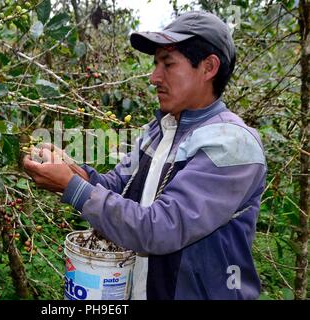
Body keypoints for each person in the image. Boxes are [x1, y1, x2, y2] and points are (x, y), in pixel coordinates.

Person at [23, 11, 267, 300]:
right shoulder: (161, 129)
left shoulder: (233, 145)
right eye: (155, 65)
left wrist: (72, 188)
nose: (154, 77)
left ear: (208, 67)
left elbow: (161, 227)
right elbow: (117, 187)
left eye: (168, 64)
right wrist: (73, 171)